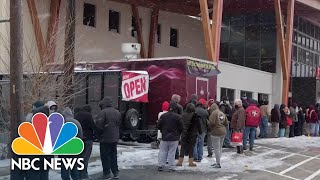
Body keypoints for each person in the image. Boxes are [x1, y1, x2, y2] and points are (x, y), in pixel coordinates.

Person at [96, 97, 121, 179]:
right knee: (113, 155)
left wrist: (98, 136)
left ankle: (107, 174)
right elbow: (118, 124)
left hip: (105, 138)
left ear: (103, 104)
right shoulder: (117, 112)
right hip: (115, 138)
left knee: (105, 156)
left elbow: (99, 125)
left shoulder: (103, 112)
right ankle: (115, 172)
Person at [157, 101, 183, 171]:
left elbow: (158, 126)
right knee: (172, 152)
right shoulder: (178, 117)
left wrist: (163, 130)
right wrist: (178, 133)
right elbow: (181, 127)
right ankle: (171, 167)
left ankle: (160, 165)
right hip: (174, 138)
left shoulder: (163, 116)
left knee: (163, 151)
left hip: (164, 137)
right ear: (176, 108)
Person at [74, 105, 96, 179]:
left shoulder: (76, 115)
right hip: (88, 138)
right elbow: (93, 126)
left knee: (79, 158)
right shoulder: (88, 115)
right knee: (85, 158)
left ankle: (77, 175)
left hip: (79, 139)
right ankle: (84, 175)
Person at [61, 107, 83, 180]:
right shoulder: (76, 122)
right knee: (74, 166)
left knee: (64, 167)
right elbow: (81, 135)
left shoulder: (62, 122)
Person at [207, 103, 228, 168]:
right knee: (220, 148)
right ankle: (217, 162)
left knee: (216, 149)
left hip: (216, 132)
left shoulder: (213, 113)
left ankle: (218, 163)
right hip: (223, 131)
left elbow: (211, 123)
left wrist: (207, 122)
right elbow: (226, 123)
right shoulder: (222, 113)